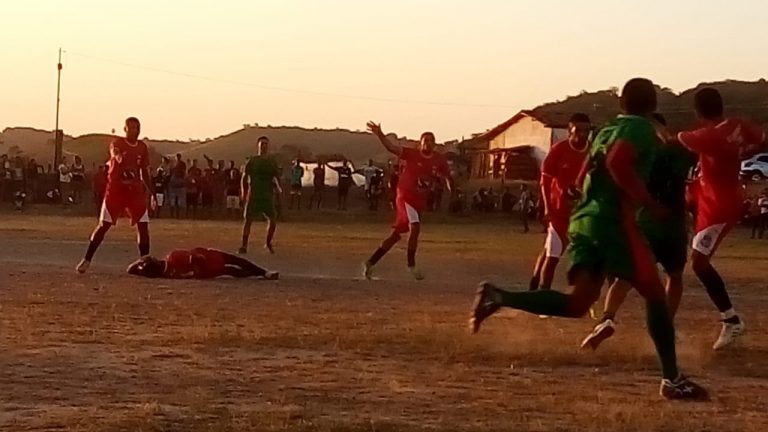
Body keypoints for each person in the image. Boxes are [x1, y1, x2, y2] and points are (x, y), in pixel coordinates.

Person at [468, 78, 706, 400]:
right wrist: (649, 203)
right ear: (652, 105)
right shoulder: (640, 129)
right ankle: (672, 379)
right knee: (655, 294)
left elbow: (583, 177)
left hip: (584, 220)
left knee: (578, 302)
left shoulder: (605, 130)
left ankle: (499, 296)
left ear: (621, 103)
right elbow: (618, 162)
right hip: (614, 222)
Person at [580, 113, 698, 350]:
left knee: (627, 276)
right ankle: (664, 326)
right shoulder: (681, 151)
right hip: (673, 223)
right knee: (674, 276)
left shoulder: (643, 152)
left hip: (645, 219)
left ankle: (607, 317)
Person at [674, 87, 766, 349]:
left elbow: (680, 138)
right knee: (698, 261)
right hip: (719, 201)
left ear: (698, 111)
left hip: (719, 207)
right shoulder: (737, 124)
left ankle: (731, 320)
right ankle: (730, 319)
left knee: (698, 263)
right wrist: (744, 149)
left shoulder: (709, 135)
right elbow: (760, 138)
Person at [364, 122, 453, 280]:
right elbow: (392, 148)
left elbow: (447, 176)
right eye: (425, 140)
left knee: (395, 236)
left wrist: (452, 189)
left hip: (419, 201)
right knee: (415, 227)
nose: (428, 143)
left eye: (431, 141)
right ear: (420, 143)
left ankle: (370, 262)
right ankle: (411, 266)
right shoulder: (412, 154)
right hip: (405, 196)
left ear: (435, 144)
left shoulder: (439, 160)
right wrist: (380, 134)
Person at [76, 117, 155, 273]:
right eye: (131, 128)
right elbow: (115, 152)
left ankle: (144, 262)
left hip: (134, 191)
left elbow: (144, 171)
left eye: (137, 128)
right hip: (116, 190)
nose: (135, 131)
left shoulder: (142, 147)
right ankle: (87, 259)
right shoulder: (117, 143)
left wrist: (152, 192)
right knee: (104, 225)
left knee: (143, 225)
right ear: (125, 129)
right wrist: (118, 157)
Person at [529, 113, 591, 292]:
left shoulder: (592, 152)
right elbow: (545, 181)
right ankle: (542, 292)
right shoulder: (558, 150)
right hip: (559, 212)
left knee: (557, 251)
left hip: (581, 213)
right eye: (578, 130)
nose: (582, 134)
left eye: (586, 130)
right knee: (554, 255)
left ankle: (535, 283)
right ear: (569, 130)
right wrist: (547, 208)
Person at [127, 247, 279, 280]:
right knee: (235, 261)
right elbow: (196, 258)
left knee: (230, 270)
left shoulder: (165, 275)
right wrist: (142, 259)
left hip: (205, 273)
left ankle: (258, 274)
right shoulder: (172, 257)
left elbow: (130, 270)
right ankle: (263, 272)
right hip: (208, 259)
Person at [240, 136, 281, 254]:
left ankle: (268, 243)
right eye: (262, 144)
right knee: (248, 220)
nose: (264, 146)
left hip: (267, 195)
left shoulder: (272, 162)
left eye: (266, 144)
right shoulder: (252, 161)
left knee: (273, 220)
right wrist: (243, 192)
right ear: (258, 146)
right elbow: (244, 177)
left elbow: (276, 177)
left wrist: (279, 189)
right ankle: (244, 246)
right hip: (254, 195)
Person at [167, 153, 187, 219]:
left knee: (178, 202)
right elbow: (170, 172)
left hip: (179, 183)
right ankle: (172, 215)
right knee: (173, 201)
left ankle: (177, 215)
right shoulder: (173, 164)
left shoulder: (182, 164)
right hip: (174, 183)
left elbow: (184, 172)